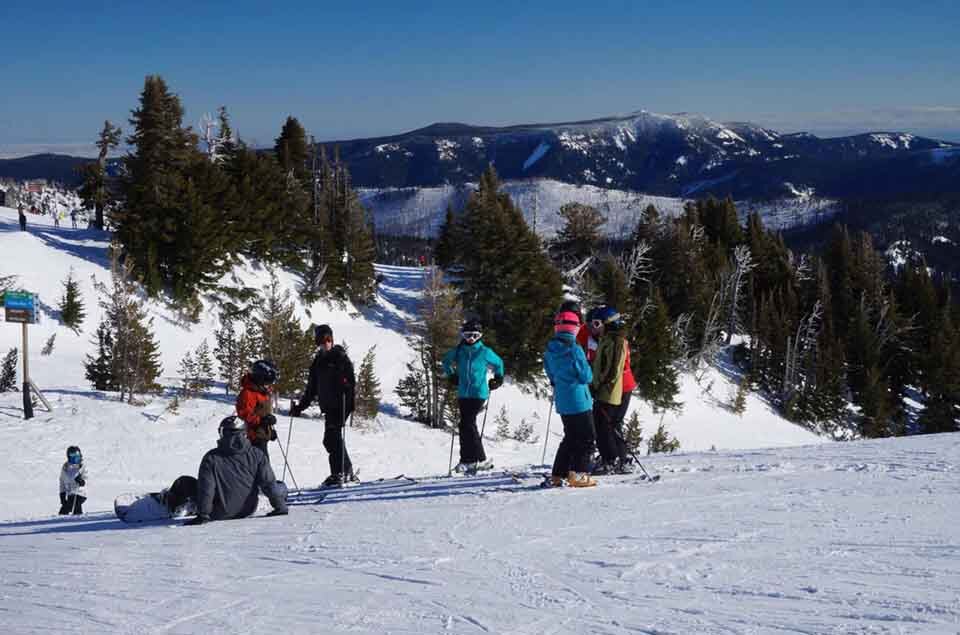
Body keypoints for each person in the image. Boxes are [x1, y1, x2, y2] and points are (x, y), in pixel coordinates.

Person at [184, 415, 288, 525]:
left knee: (185, 482)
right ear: (244, 433)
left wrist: (203, 515)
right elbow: (268, 483)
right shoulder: (257, 454)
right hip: (248, 509)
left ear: (223, 433)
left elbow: (207, 489)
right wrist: (280, 507)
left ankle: (176, 504)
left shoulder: (211, 457)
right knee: (279, 485)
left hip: (220, 513)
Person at [290, 325, 358, 487]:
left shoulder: (340, 357)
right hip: (329, 406)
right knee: (331, 439)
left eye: (328, 340)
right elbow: (311, 388)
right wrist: (300, 407)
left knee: (332, 437)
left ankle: (340, 473)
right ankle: (345, 471)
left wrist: (345, 385)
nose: (326, 343)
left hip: (342, 404)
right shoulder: (318, 361)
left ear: (332, 340)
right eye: (322, 340)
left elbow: (351, 380)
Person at [442, 318, 505, 474]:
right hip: (463, 393)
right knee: (464, 425)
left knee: (468, 423)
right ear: (463, 335)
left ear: (480, 336)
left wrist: (498, 378)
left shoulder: (484, 352)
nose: (471, 338)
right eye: (467, 335)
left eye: (475, 335)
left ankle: (479, 460)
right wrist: (452, 375)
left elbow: (499, 363)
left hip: (479, 392)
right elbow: (446, 360)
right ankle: (467, 461)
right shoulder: (459, 351)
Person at [543, 310, 597, 488]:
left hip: (563, 400)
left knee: (570, 437)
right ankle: (579, 473)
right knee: (587, 438)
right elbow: (585, 376)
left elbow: (550, 374)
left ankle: (558, 474)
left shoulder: (550, 349)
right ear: (575, 328)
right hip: (579, 400)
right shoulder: (575, 349)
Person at [588, 306, 637, 474]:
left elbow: (612, 369)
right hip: (616, 386)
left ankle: (612, 459)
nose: (594, 328)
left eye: (596, 323)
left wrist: (598, 386)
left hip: (617, 387)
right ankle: (617, 457)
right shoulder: (608, 339)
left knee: (605, 423)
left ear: (608, 323)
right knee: (609, 423)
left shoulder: (616, 341)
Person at [236, 359, 279, 460]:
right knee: (259, 469)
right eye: (267, 382)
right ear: (260, 378)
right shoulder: (248, 393)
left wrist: (269, 431)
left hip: (261, 436)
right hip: (252, 439)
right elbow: (244, 414)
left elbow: (263, 412)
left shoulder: (262, 392)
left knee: (263, 467)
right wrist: (262, 421)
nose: (269, 385)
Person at [59, 446, 88, 514]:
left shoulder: (82, 466)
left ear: (80, 455)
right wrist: (62, 496)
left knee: (72, 506)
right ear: (68, 456)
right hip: (70, 493)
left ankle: (75, 517)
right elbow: (62, 482)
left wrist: (82, 481)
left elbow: (86, 478)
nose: (75, 458)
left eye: (77, 455)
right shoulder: (65, 467)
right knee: (67, 508)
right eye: (72, 455)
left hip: (80, 493)